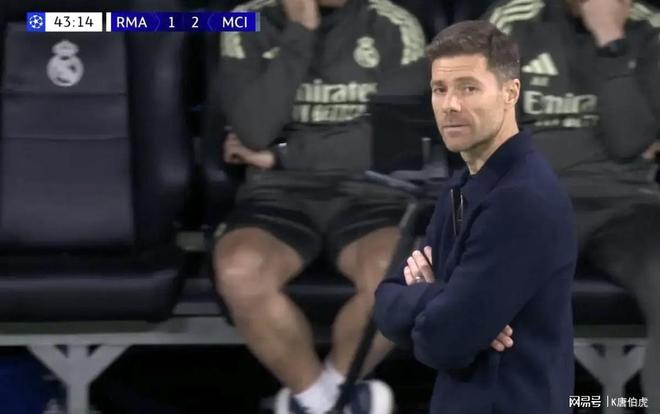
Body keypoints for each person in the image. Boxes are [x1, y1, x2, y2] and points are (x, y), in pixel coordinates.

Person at [213, 0, 432, 412]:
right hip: (278, 194)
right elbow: (254, 130)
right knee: (240, 269)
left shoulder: (392, 24)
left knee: (404, 273)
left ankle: (322, 397)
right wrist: (301, 32)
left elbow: (395, 143)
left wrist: (284, 154)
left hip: (373, 192)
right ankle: (324, 401)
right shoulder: (246, 21)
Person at [374, 21, 578, 413]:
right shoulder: (462, 184)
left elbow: (443, 342)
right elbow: (384, 302)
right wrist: (443, 298)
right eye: (440, 89)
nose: (450, 104)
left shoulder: (522, 200)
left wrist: (440, 305)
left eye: (468, 88)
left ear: (510, 92)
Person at [484, 1, 660, 410]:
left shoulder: (650, 29)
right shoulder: (510, 22)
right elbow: (480, 132)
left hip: (628, 208)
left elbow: (628, 140)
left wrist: (610, 40)